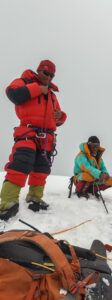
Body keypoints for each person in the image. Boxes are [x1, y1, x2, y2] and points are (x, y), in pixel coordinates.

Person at [0, 60, 67, 220]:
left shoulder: (51, 95)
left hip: (47, 138)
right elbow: (13, 94)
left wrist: (61, 116)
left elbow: (57, 118)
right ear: (38, 71)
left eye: (52, 75)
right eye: (46, 73)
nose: (49, 77)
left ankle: (34, 197)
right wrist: (38, 89)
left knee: (42, 169)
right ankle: (7, 202)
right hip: (28, 132)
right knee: (21, 164)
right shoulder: (24, 82)